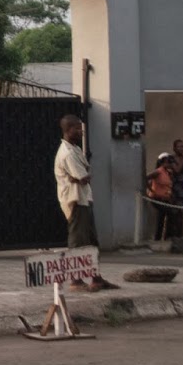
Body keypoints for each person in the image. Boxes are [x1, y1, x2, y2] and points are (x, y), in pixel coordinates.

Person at [52, 114, 120, 291]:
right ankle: (76, 279)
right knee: (78, 240)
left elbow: (83, 177)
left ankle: (96, 277)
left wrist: (81, 178)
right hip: (75, 201)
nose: (81, 132)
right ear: (68, 130)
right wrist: (81, 178)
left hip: (84, 198)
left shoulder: (74, 149)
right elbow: (83, 177)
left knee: (91, 241)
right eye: (77, 129)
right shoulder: (67, 153)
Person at [145, 152, 176, 240]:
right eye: (167, 162)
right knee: (166, 214)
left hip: (165, 198)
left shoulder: (167, 172)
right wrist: (151, 190)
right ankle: (159, 237)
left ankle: (164, 237)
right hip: (157, 198)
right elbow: (146, 178)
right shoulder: (158, 171)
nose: (169, 163)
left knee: (164, 216)